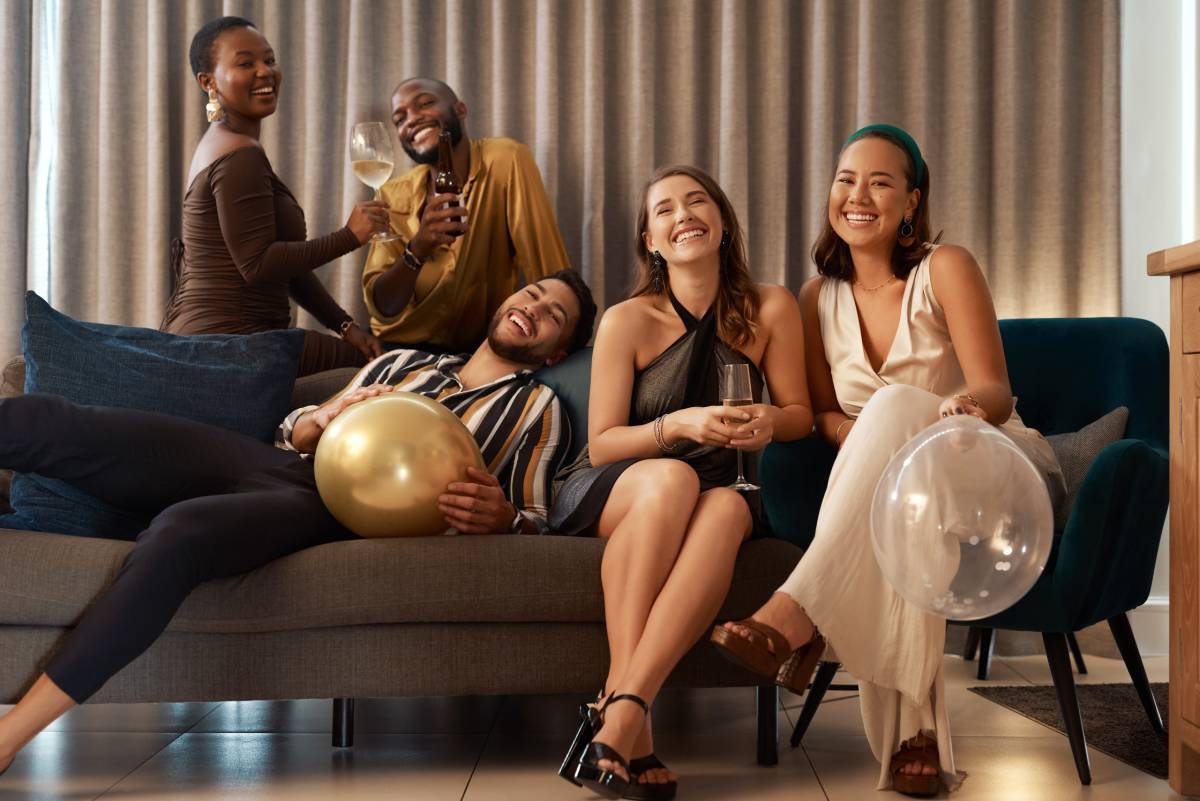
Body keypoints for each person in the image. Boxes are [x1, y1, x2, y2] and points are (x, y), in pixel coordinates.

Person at [0, 270, 597, 777]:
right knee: (52, 423)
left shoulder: (539, 407)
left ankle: (9, 738)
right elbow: (293, 431)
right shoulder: (405, 362)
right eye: (532, 293)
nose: (534, 307)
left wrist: (502, 519)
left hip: (339, 510)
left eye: (555, 314)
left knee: (183, 532)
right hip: (279, 463)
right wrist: (324, 415)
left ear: (556, 353)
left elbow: (536, 517)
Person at [710, 125, 1066, 797]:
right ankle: (916, 740)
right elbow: (822, 414)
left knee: (901, 409)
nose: (858, 196)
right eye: (846, 180)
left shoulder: (945, 266)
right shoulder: (816, 297)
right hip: (908, 490)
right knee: (906, 504)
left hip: (990, 463)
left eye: (880, 183)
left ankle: (797, 613)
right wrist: (869, 431)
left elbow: (996, 391)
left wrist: (959, 408)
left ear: (911, 202)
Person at [550, 166, 813, 800]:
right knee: (672, 480)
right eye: (664, 210)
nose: (683, 215)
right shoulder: (626, 319)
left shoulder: (771, 306)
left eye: (697, 202)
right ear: (650, 240)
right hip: (622, 482)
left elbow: (801, 415)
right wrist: (678, 425)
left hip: (725, 482)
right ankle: (629, 713)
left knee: (727, 511)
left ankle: (621, 712)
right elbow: (602, 443)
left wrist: (770, 421)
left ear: (722, 222)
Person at [161, 17, 388, 376]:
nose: (265, 71)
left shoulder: (230, 144)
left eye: (269, 60)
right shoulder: (239, 155)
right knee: (389, 370)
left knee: (377, 364)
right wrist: (350, 236)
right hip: (230, 346)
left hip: (225, 339)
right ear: (208, 82)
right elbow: (259, 265)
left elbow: (284, 269)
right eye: (245, 63)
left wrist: (345, 326)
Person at [362, 77, 571, 352]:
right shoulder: (391, 194)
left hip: (473, 352)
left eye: (425, 103)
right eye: (400, 119)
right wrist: (418, 249)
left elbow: (546, 266)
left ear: (460, 109)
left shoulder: (505, 160)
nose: (411, 120)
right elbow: (382, 308)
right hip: (395, 347)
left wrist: (563, 346)